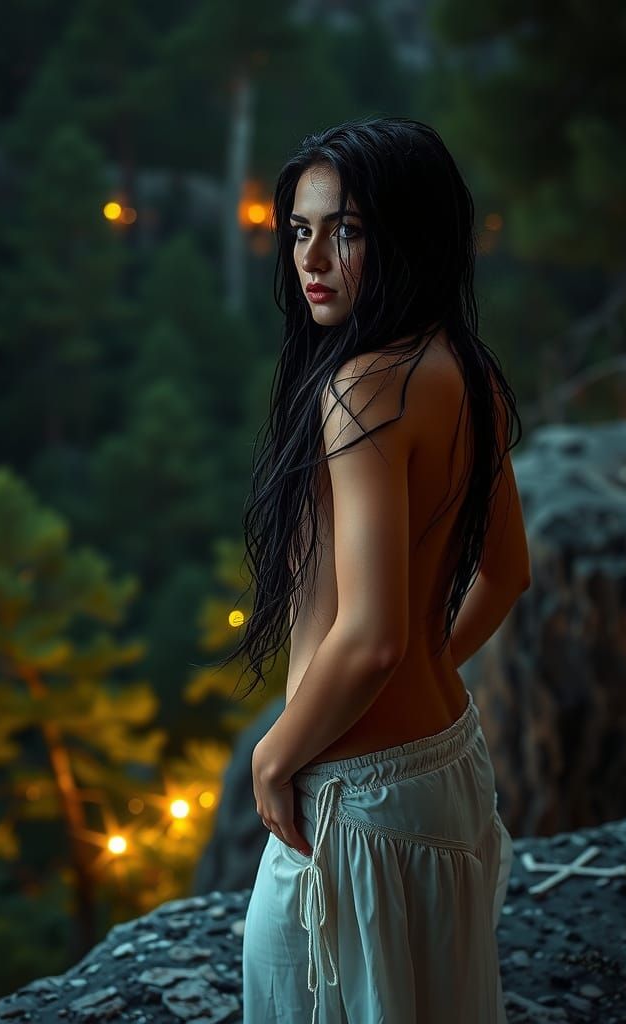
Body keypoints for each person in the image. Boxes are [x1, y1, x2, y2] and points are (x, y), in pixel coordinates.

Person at [228, 117, 531, 1022]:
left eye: (348, 230)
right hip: (445, 770)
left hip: (358, 805)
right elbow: (507, 573)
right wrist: (420, 669)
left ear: (407, 237)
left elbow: (371, 636)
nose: (312, 257)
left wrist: (276, 754)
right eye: (300, 229)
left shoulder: (363, 388)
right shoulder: (465, 370)